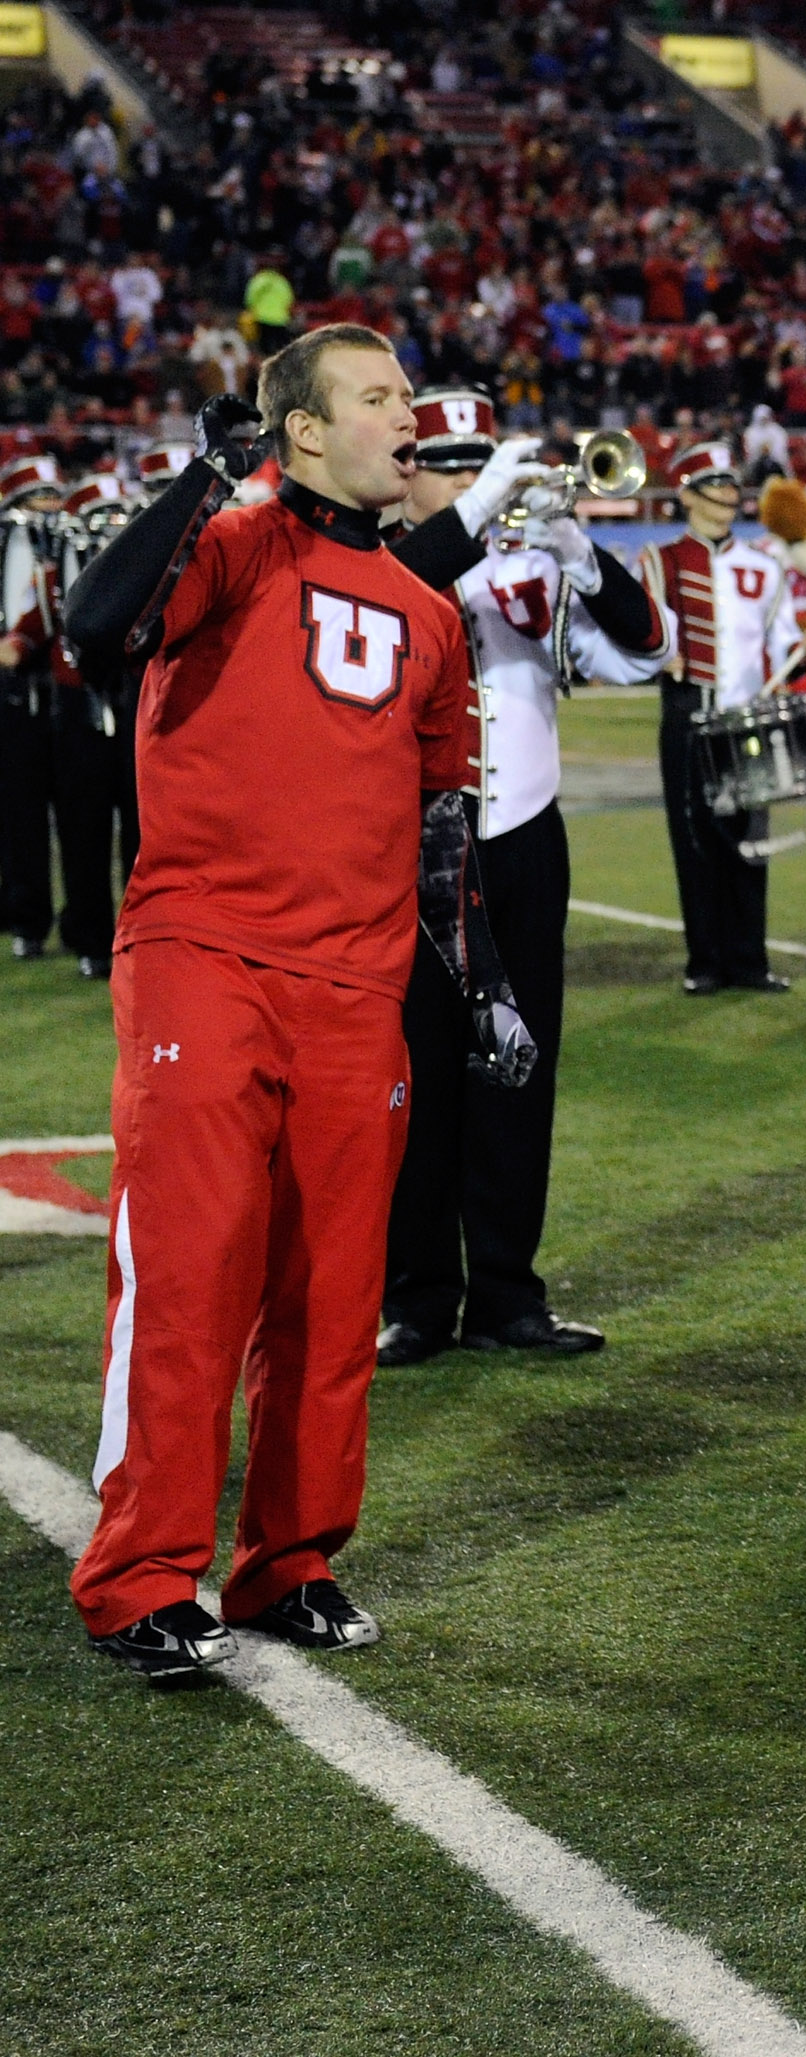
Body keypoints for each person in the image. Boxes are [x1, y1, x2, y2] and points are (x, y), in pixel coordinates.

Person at [60, 325, 535, 1681]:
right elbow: (97, 634)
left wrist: (481, 982)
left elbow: (443, 820)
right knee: (189, 1278)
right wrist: (207, 478)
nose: (410, 414)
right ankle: (140, 1575)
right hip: (205, 956)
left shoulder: (432, 610)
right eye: (380, 397)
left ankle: (293, 1559)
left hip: (359, 987)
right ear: (307, 429)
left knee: (331, 1301)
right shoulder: (232, 537)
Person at [377, 389, 667, 1369]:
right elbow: (389, 593)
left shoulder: (533, 562)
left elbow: (648, 652)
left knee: (517, 1064)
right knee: (413, 1072)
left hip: (525, 836)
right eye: (451, 464)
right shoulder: (374, 558)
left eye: (480, 463)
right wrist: (471, 520)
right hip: (410, 847)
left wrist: (584, 555)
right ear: (406, 469)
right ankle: (416, 1295)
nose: (473, 481)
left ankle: (506, 1289)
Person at [636, 444, 806, 995]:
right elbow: (641, 639)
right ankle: (705, 961)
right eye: (714, 484)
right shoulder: (659, 561)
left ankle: (750, 960)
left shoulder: (764, 565)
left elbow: (782, 637)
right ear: (688, 494)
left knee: (749, 839)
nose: (729, 494)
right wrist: (658, 654)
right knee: (694, 838)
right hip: (689, 710)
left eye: (732, 484)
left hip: (747, 715)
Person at [48, 471, 143, 979]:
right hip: (83, 698)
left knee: (140, 829)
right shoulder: (65, 549)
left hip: (130, 699)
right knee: (85, 825)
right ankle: (90, 936)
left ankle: (139, 939)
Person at [0, 452, 61, 960]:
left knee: (79, 816)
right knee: (21, 813)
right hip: (20, 694)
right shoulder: (10, 546)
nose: (49, 508)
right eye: (39, 498)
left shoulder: (69, 543)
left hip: (68, 693)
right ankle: (27, 919)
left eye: (55, 497)